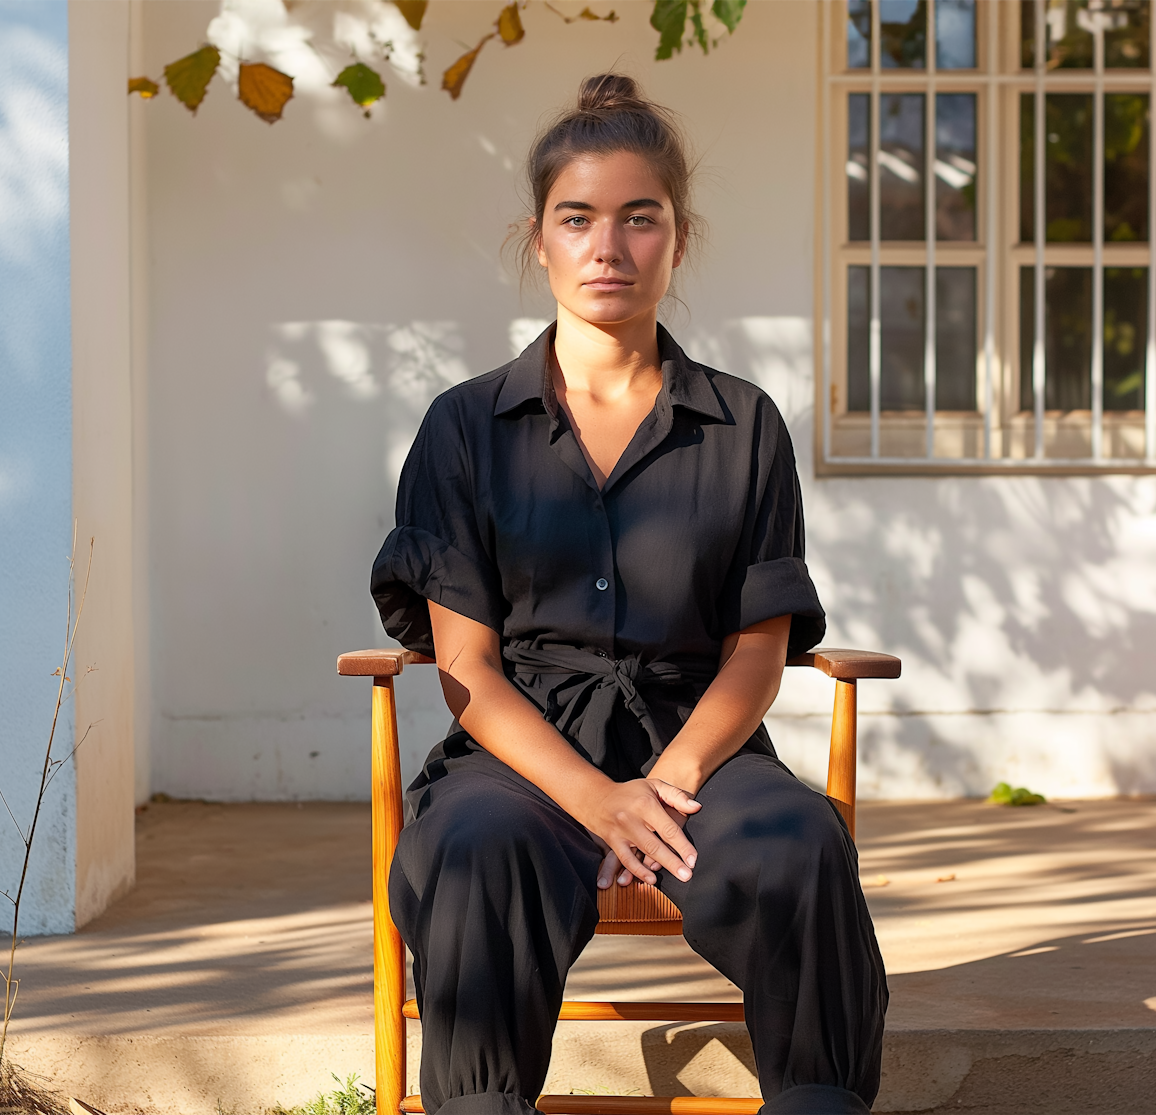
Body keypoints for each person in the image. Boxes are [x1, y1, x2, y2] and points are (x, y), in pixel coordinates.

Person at [371, 73, 887, 1115]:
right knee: (474, 846)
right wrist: (597, 797)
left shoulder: (744, 425)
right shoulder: (464, 429)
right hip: (521, 750)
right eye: (579, 218)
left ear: (678, 239)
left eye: (639, 218)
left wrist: (663, 784)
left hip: (699, 751)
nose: (609, 247)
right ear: (540, 238)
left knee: (799, 845)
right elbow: (466, 667)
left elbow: (757, 646)